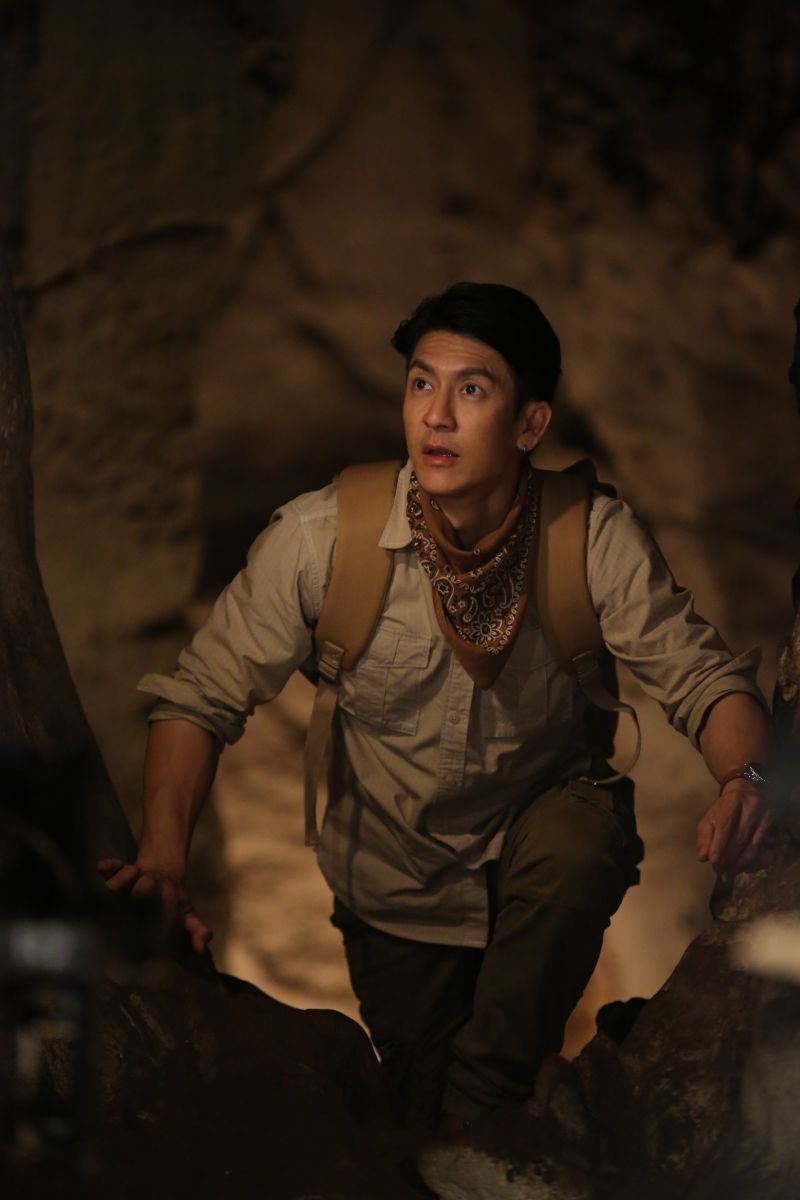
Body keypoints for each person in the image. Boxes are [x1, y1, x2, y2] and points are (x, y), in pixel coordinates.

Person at [99, 282, 772, 1129]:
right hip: (395, 892)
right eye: (421, 383)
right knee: (429, 1114)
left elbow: (704, 678)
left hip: (542, 860)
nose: (436, 416)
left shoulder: (590, 538)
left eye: (472, 389)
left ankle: (492, 1116)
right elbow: (197, 699)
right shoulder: (321, 540)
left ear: (530, 424)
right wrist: (163, 862)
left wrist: (745, 779)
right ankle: (484, 1129)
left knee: (567, 873)